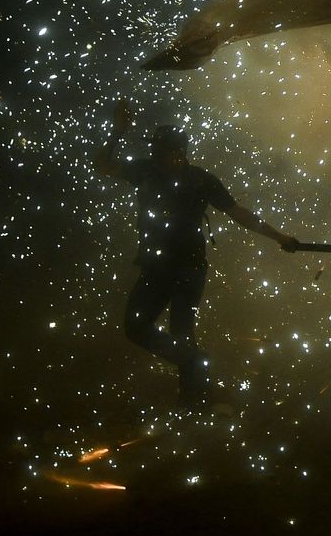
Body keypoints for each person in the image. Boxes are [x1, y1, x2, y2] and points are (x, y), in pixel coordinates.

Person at [94, 100, 299, 407]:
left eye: (160, 150)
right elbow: (103, 166)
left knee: (181, 332)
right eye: (154, 149)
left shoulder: (201, 180)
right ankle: (195, 366)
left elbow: (237, 213)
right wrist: (117, 132)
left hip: (188, 267)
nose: (154, 154)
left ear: (178, 153)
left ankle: (193, 400)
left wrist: (278, 236)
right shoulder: (146, 170)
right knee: (136, 326)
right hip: (155, 264)